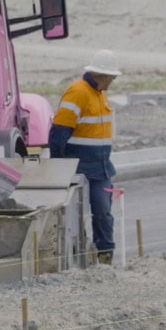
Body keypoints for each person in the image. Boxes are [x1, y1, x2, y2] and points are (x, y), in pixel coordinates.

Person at [49, 50, 121, 264]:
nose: (114, 80)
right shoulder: (78, 92)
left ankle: (105, 255)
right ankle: (75, 256)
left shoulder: (99, 93)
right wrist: (59, 168)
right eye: (112, 76)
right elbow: (58, 133)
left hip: (101, 167)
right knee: (75, 217)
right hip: (79, 166)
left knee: (103, 212)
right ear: (102, 75)